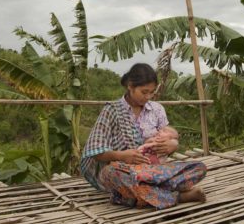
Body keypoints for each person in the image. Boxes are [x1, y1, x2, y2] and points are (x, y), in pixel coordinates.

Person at [80, 63, 207, 209]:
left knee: (198, 167)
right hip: (126, 171)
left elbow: (168, 137)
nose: (148, 97)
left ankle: (135, 194)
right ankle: (177, 196)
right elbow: (96, 152)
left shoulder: (157, 109)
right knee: (110, 173)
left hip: (154, 171)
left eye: (151, 92)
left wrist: (173, 145)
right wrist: (122, 156)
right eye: (144, 92)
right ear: (130, 86)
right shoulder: (111, 111)